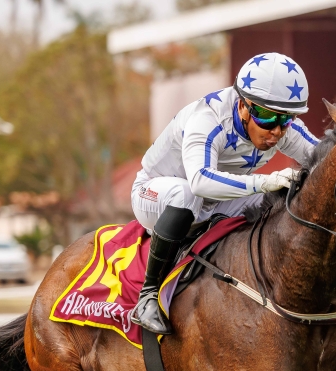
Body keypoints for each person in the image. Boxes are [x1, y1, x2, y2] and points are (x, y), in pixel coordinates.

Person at [130, 52, 319, 335]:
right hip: (156, 194)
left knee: (284, 197)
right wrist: (264, 181)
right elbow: (200, 182)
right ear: (243, 105)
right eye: (267, 117)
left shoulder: (279, 127)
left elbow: (328, 161)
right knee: (187, 195)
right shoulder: (207, 118)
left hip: (215, 201)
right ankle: (148, 296)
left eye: (287, 118)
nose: (277, 131)